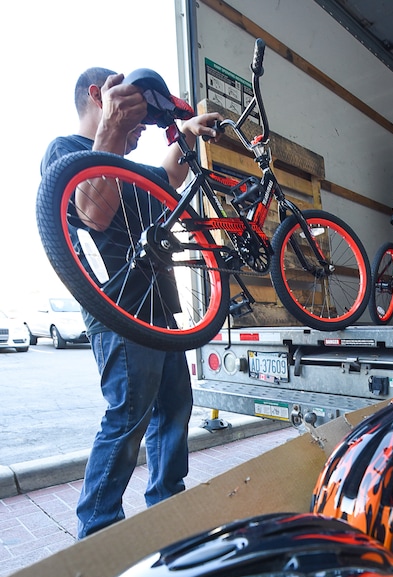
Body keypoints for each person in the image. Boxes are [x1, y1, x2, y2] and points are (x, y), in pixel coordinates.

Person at [41, 68, 222, 538]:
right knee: (127, 417)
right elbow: (92, 214)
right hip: (118, 313)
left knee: (174, 410)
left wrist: (183, 134)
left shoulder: (128, 165)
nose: (138, 122)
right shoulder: (68, 153)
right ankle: (98, 532)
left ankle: (168, 512)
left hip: (161, 311)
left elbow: (166, 176)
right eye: (129, 108)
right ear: (97, 96)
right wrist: (113, 130)